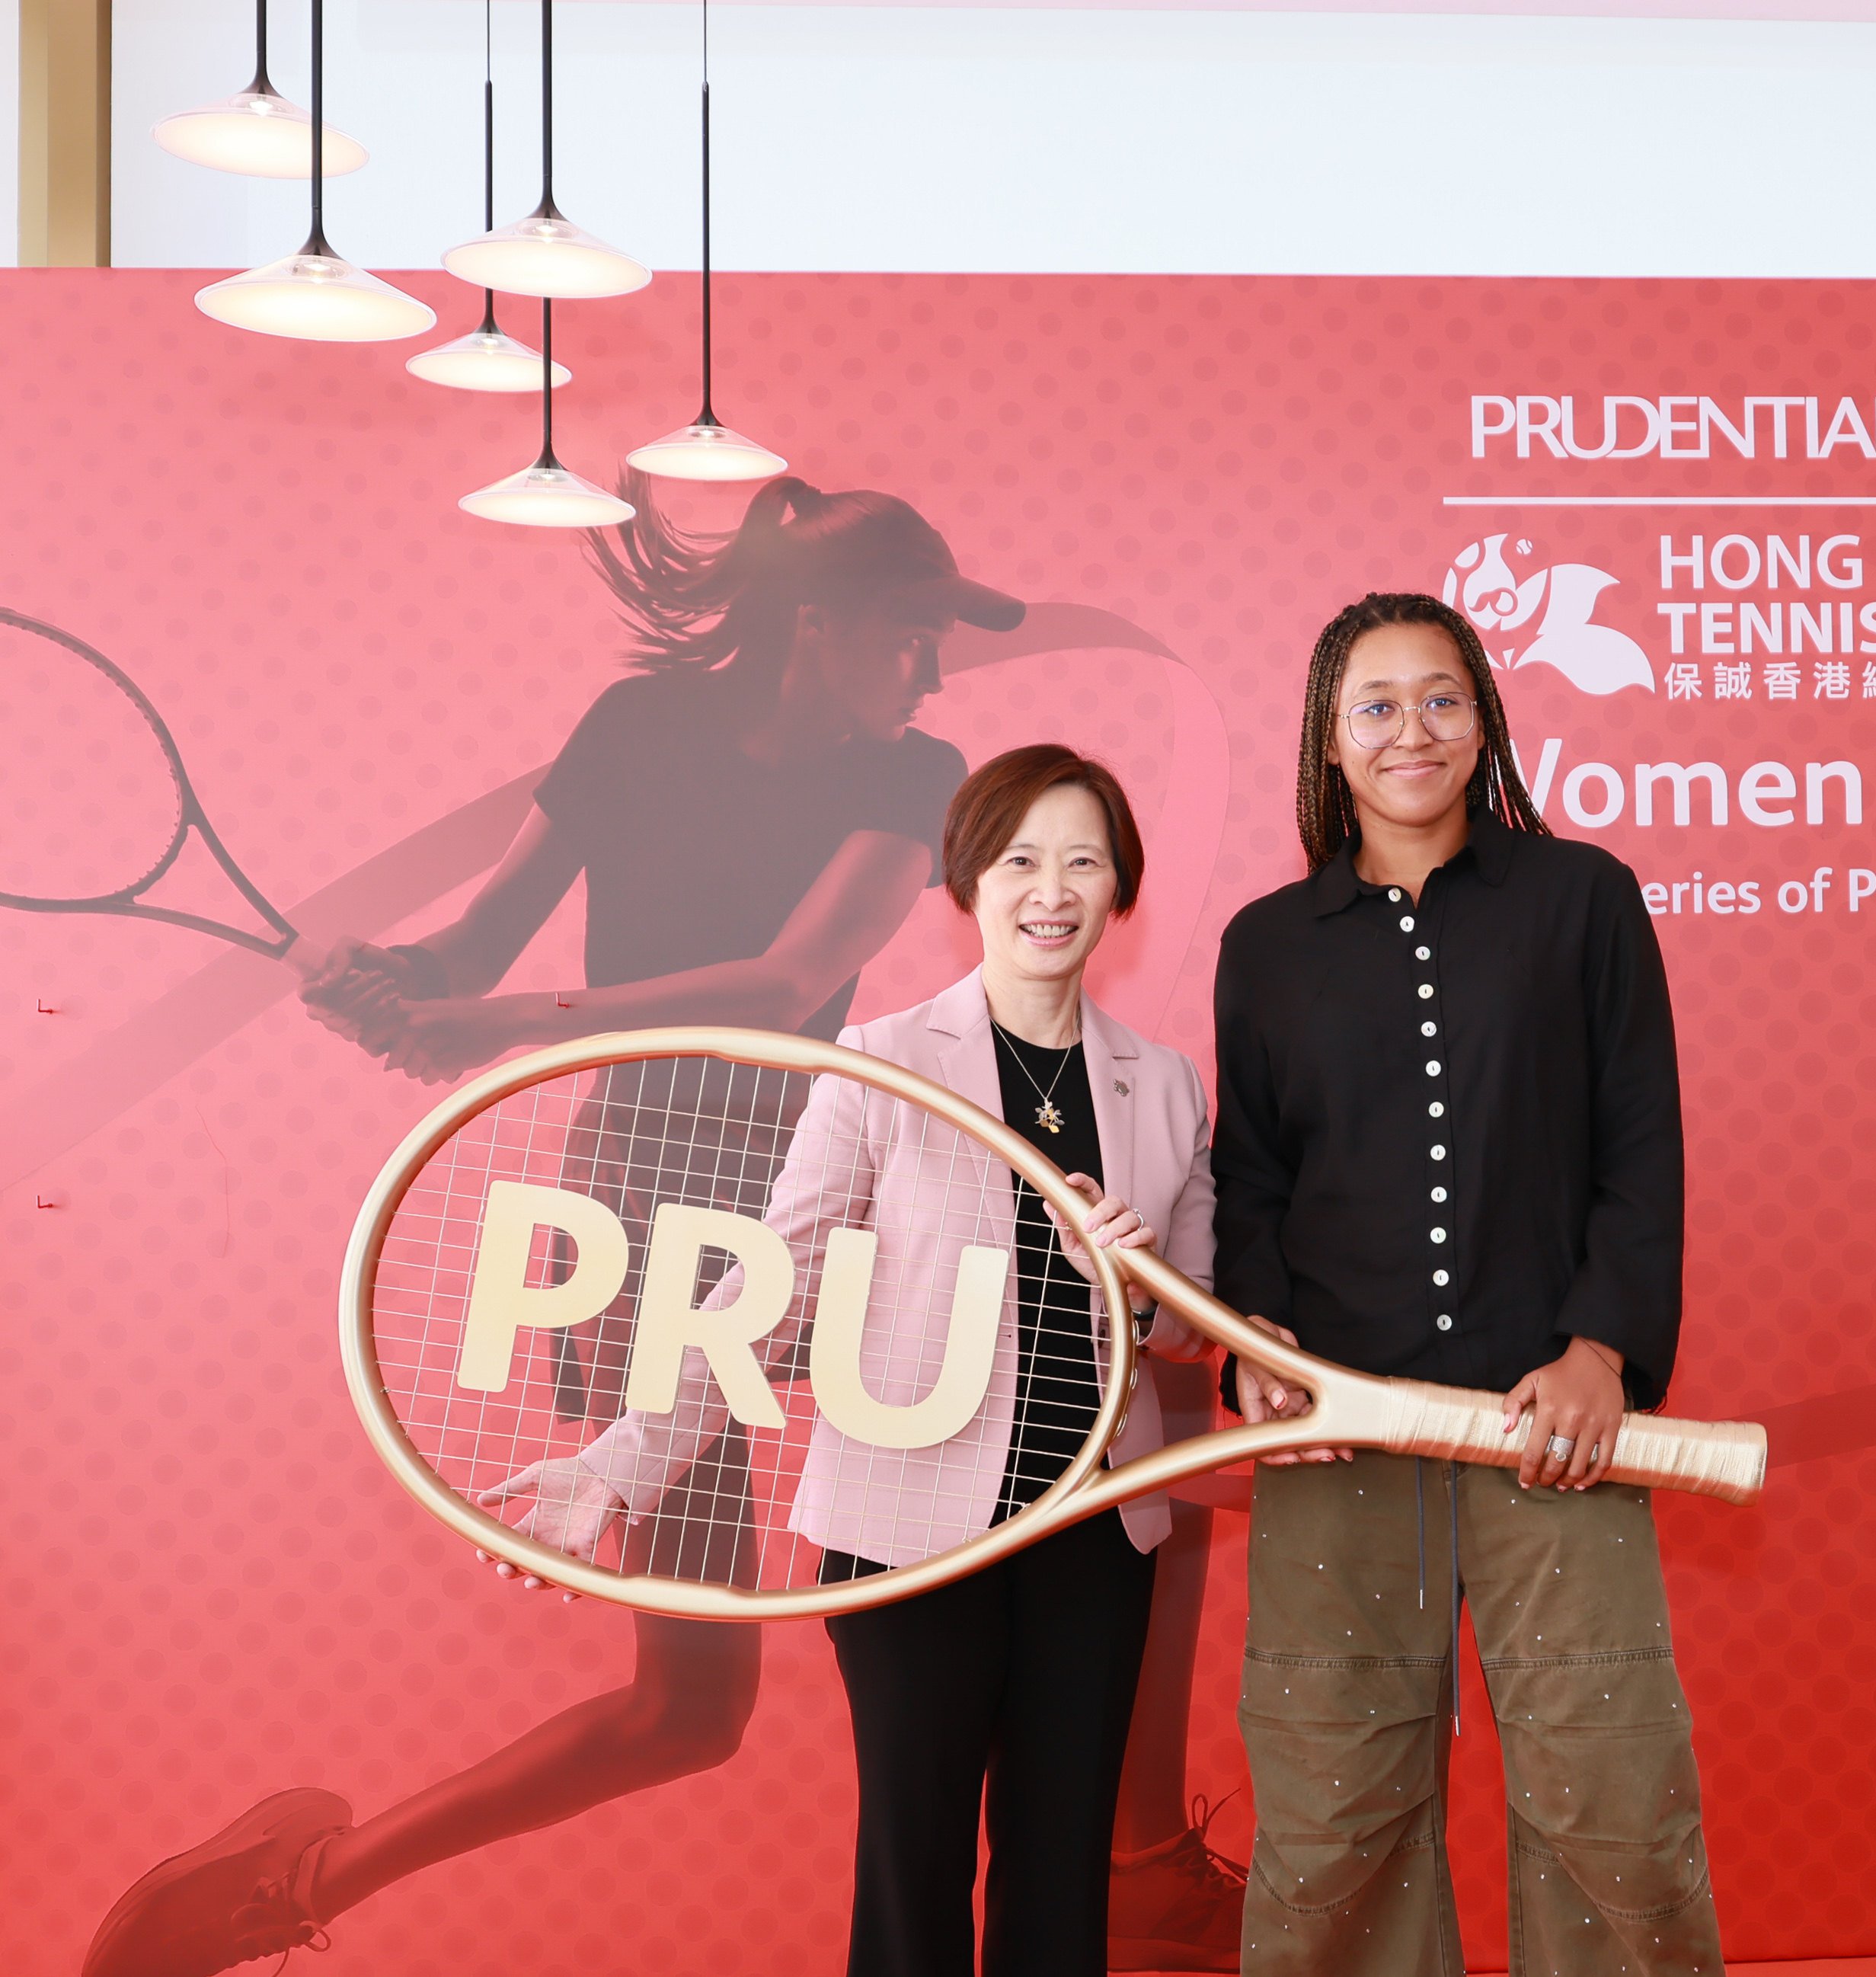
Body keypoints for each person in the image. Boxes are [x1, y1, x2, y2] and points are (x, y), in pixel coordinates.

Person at [83, 474, 1022, 1977]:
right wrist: (402, 978)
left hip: (824, 1222)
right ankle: (300, 1876)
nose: (928, 674)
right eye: (912, 638)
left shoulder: (914, 773)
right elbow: (472, 947)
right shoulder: (633, 731)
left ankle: (1113, 1874)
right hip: (645, 1230)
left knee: (1025, 1496)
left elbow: (788, 985)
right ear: (822, 624)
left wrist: (496, 1019)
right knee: (689, 1709)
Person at [560, 744, 1222, 1976]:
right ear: (968, 880)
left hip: (1095, 1530)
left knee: (1061, 1866)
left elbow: (1191, 1324)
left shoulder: (1167, 1085)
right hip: (909, 1529)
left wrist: (1136, 1284)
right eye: (1021, 858)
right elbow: (771, 1285)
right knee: (913, 1865)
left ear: (1122, 886)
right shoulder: (880, 1058)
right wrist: (623, 1462)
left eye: (1085, 860)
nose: (1053, 889)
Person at [1210, 592, 1726, 1977]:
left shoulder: (1584, 899)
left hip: (1557, 1421)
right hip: (1340, 1427)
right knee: (1333, 1817)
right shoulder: (1266, 942)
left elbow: (1640, 1140)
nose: (1410, 732)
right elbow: (1249, 1181)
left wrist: (1602, 1349)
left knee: (1610, 1795)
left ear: (1486, 717)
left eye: (1441, 699)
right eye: (1374, 707)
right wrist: (1256, 1343)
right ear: (1329, 741)